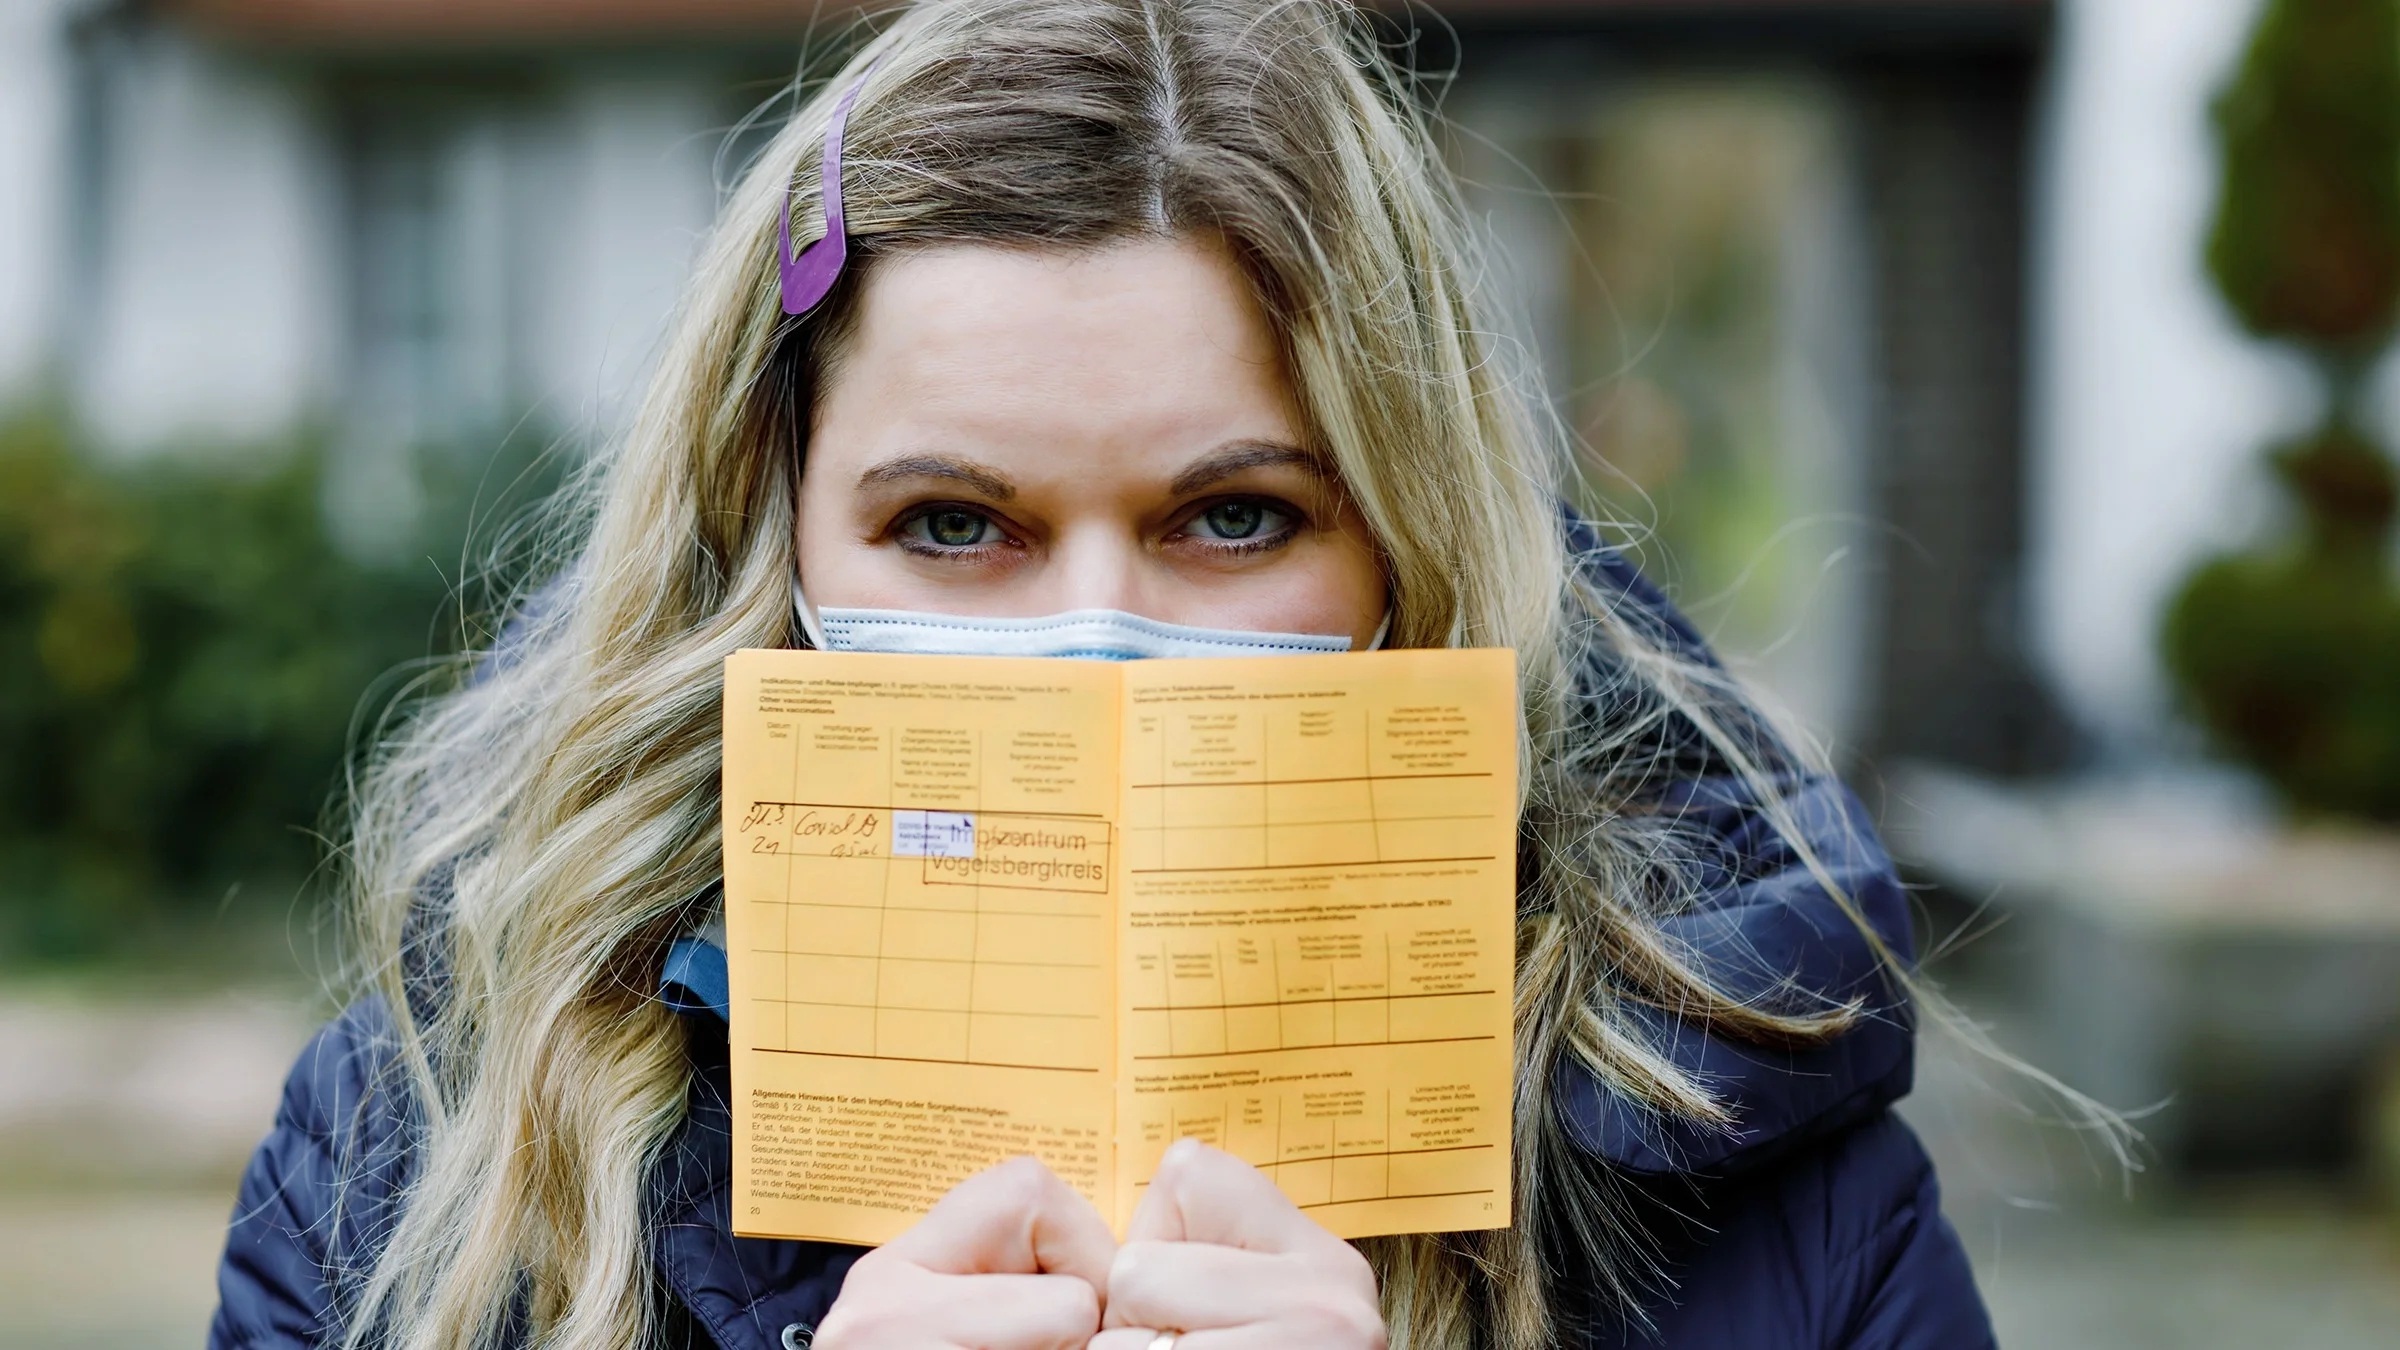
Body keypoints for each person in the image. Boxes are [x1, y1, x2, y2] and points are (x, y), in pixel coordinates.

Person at [209, 0, 1999, 1346]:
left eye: (1230, 517)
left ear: (1410, 545)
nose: (1090, 645)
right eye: (951, 522)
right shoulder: (415, 1166)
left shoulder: (1772, 1173)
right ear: (774, 543)